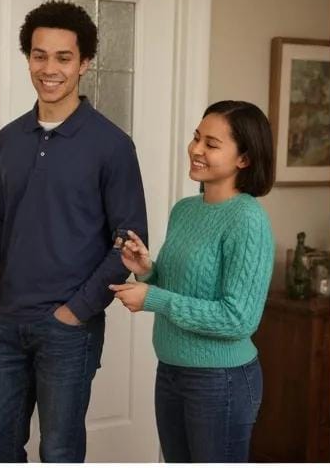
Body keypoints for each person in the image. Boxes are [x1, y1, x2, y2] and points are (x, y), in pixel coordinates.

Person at [0, 0, 148, 463]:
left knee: (60, 451)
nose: (49, 69)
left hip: (69, 329)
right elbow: (2, 223)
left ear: (84, 62)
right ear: (28, 57)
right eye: (39, 55)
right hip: (7, 321)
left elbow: (127, 244)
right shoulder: (9, 139)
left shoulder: (112, 144)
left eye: (63, 57)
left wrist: (76, 311)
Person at [110, 100, 275, 462]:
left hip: (221, 380)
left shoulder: (248, 219)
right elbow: (181, 287)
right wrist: (146, 269)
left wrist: (153, 298)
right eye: (196, 138)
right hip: (171, 369)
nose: (195, 150)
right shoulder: (185, 210)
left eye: (211, 144)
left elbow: (239, 318)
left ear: (244, 159)